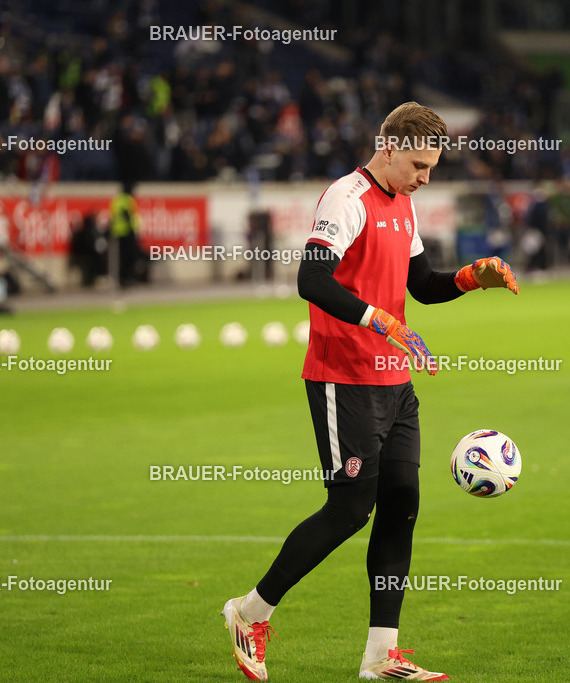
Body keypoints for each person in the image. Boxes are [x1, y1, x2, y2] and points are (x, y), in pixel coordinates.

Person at [221, 102, 519, 682]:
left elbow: (423, 289)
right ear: (388, 147)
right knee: (351, 508)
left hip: (396, 383)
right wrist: (375, 318)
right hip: (343, 378)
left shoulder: (404, 204)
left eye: (431, 168)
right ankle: (248, 612)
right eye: (418, 165)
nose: (425, 178)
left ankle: (382, 655)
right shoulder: (345, 199)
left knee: (401, 505)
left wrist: (467, 278)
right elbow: (311, 278)